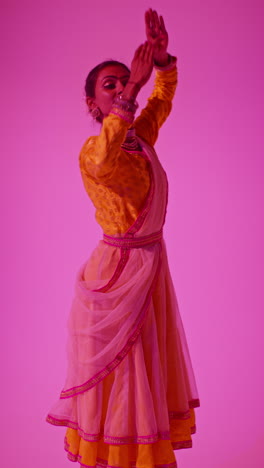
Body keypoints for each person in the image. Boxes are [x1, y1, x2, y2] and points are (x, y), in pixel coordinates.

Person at [46, 8, 200, 468]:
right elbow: (103, 156)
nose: (118, 88)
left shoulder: (139, 138)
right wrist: (132, 88)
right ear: (93, 104)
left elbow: (163, 100)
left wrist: (162, 60)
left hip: (150, 268)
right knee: (123, 377)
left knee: (148, 370)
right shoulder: (96, 150)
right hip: (116, 278)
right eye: (107, 86)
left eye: (121, 81)